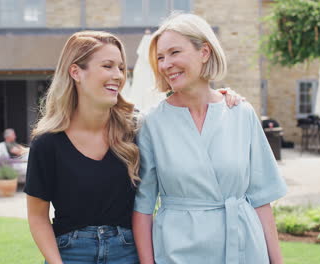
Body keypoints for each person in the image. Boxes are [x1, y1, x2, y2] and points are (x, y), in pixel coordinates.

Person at [25, 30, 243, 264]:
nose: (118, 75)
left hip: (127, 253)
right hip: (70, 253)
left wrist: (216, 97)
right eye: (107, 66)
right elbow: (38, 217)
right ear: (76, 72)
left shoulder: (137, 130)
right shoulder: (47, 143)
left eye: (120, 67)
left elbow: (177, 112)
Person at [132, 13, 287, 264]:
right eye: (160, 57)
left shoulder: (241, 113)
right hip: (177, 252)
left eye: (174, 52)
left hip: (245, 248)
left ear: (204, 52)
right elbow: (143, 207)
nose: (165, 64)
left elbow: (261, 200)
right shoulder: (152, 123)